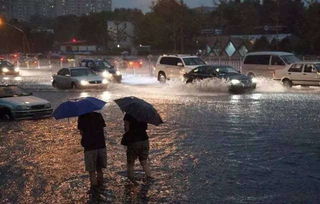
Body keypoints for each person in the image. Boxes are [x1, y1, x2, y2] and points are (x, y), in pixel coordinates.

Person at [77, 111, 106, 191]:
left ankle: (95, 192)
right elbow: (102, 128)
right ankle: (102, 187)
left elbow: (82, 132)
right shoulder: (98, 115)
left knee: (92, 171)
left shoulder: (81, 117)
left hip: (89, 148)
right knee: (99, 169)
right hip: (101, 145)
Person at [122, 113, 152, 181]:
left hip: (133, 141)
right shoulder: (143, 114)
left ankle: (130, 180)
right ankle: (149, 177)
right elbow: (145, 127)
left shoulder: (128, 114)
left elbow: (126, 129)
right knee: (144, 162)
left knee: (130, 163)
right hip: (144, 140)